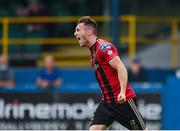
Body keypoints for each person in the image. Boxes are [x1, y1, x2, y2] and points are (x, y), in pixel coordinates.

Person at [74, 16, 148, 130]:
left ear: (88, 32)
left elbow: (121, 68)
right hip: (107, 103)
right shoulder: (92, 53)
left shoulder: (103, 47)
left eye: (78, 30)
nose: (75, 34)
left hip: (123, 101)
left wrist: (122, 93)